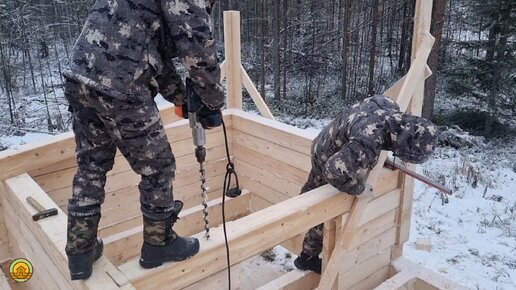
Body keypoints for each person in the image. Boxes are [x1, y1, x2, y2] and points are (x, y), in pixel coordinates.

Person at [62, 0, 224, 280]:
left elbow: (152, 54)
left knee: (91, 165)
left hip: (81, 78)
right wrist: (212, 102)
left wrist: (183, 99)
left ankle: (80, 251)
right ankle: (158, 244)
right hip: (122, 84)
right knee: (158, 169)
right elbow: (196, 47)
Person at [293, 95, 438, 274]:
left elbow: (370, 128)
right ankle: (305, 258)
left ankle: (300, 216)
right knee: (320, 206)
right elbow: (332, 171)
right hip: (325, 154)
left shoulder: (390, 106)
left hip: (332, 137)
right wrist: (358, 189)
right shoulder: (368, 142)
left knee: (312, 193)